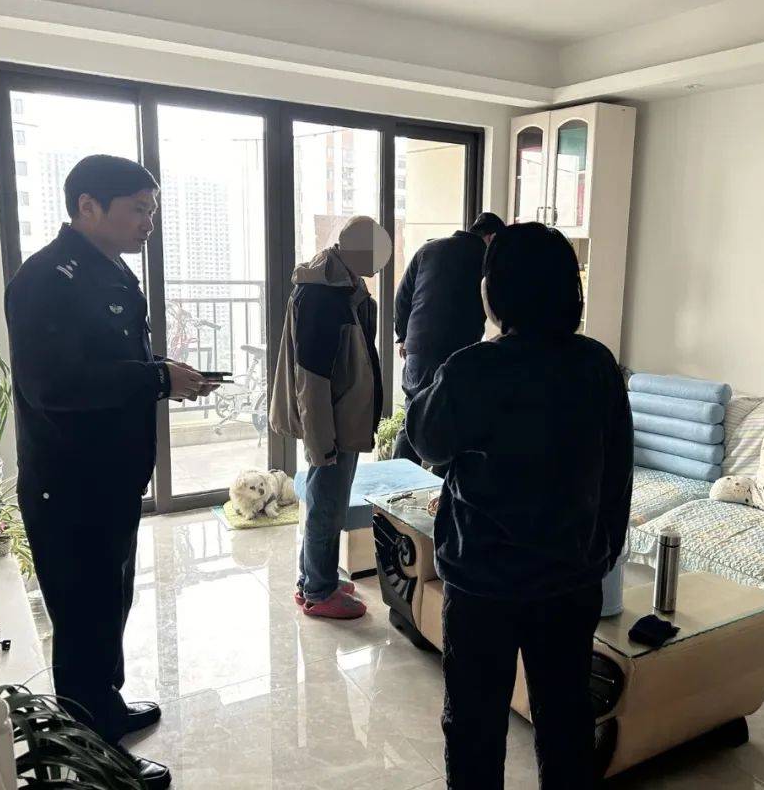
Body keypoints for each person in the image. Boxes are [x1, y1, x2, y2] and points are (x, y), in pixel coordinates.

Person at [5, 155, 214, 789]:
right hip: (70, 483)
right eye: (139, 209)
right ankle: (91, 760)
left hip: (110, 479)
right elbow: (54, 386)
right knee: (82, 613)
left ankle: (107, 706)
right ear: (88, 207)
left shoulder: (110, 268)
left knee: (109, 601)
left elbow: (109, 359)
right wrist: (156, 378)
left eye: (153, 210)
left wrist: (165, 374)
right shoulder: (45, 278)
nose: (149, 222)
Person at [407, 223, 633, 790]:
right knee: (566, 720)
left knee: (474, 724)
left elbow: (427, 439)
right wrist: (603, 550)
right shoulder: (597, 365)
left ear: (495, 290)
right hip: (570, 577)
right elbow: (617, 470)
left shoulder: (474, 367)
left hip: (482, 581)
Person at [270, 216, 392, 620]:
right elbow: (312, 378)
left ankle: (313, 578)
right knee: (327, 504)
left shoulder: (345, 286)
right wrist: (321, 442)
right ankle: (319, 592)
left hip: (341, 414)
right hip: (331, 421)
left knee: (329, 500)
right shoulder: (323, 295)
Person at [392, 212, 505, 468]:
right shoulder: (486, 259)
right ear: (491, 237)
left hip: (418, 350)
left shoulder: (428, 249)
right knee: (451, 423)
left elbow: (402, 297)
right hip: (457, 354)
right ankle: (439, 490)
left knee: (412, 418)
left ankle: (395, 485)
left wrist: (404, 338)